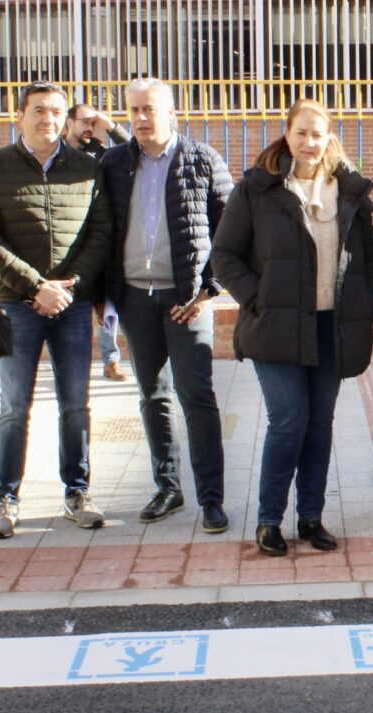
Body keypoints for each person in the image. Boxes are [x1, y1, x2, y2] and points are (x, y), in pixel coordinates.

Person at [212, 98, 373, 556]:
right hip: (276, 327)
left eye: (317, 134)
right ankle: (269, 520)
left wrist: (365, 302)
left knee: (320, 425)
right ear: (287, 134)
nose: (309, 142)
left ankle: (311, 516)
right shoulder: (257, 189)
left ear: (329, 138)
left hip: (331, 328)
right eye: (301, 132)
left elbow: (371, 257)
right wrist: (259, 298)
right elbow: (224, 255)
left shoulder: (349, 191)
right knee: (289, 422)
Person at [0, 82, 112, 539]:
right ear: (19, 116)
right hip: (16, 304)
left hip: (71, 303)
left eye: (56, 111)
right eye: (38, 110)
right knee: (15, 407)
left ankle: (78, 492)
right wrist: (36, 287)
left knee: (75, 404)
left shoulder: (87, 168)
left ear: (66, 120)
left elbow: (101, 232)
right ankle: (6, 497)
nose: (47, 118)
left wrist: (71, 286)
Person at [100, 78, 233, 533]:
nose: (140, 118)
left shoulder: (202, 159)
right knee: (152, 395)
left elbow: (231, 231)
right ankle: (168, 488)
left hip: (186, 301)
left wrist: (208, 291)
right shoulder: (114, 162)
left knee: (197, 396)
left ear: (171, 112)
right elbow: (103, 230)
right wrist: (104, 295)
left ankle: (212, 500)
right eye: (134, 109)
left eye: (150, 109)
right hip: (135, 298)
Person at [65, 103, 131, 382]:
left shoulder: (100, 153)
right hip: (68, 240)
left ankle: (111, 360)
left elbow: (133, 150)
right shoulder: (55, 152)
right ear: (68, 122)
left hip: (100, 237)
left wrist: (111, 125)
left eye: (94, 123)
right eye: (84, 121)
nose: (90, 128)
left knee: (106, 305)